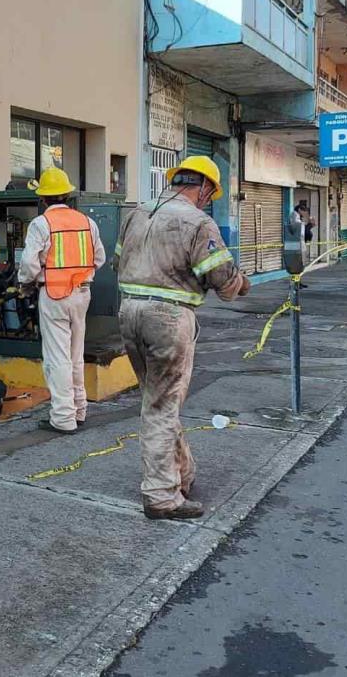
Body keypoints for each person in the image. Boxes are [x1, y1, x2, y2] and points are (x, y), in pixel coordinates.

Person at [114, 156, 250, 520]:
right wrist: (241, 284)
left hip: (129, 312)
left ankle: (183, 473)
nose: (209, 200)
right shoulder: (197, 221)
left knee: (156, 397)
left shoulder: (137, 213)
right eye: (211, 193)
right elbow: (223, 282)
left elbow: (118, 262)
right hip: (168, 319)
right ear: (203, 187)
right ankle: (161, 495)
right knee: (161, 406)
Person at [17, 168, 106, 434]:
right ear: (67, 195)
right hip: (82, 294)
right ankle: (79, 410)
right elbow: (98, 259)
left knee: (57, 358)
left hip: (54, 296)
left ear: (43, 199)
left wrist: (25, 284)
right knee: (75, 355)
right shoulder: (87, 222)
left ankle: (63, 418)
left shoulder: (41, 224)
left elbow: (29, 265)